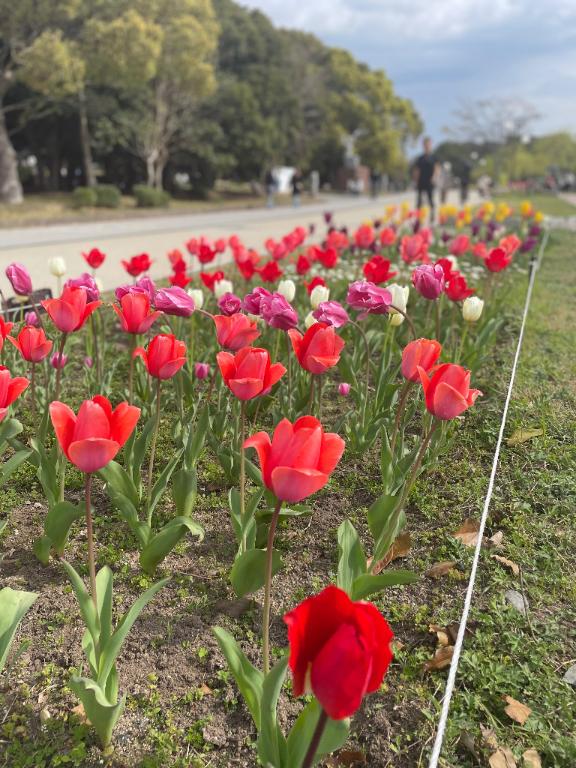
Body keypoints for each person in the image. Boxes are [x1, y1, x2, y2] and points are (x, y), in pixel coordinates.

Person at [413, 137, 439, 217]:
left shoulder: (434, 157)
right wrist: (416, 181)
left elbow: (437, 168)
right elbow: (417, 170)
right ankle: (418, 215)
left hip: (430, 181)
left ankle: (432, 215)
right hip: (421, 181)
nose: (426, 146)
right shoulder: (420, 158)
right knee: (419, 200)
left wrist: (434, 177)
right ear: (423, 146)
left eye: (428, 144)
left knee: (430, 198)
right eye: (425, 145)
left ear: (430, 145)